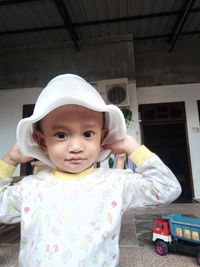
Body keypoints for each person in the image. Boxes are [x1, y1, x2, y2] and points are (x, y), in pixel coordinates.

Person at [0, 74, 181, 267]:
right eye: (61, 135)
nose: (76, 146)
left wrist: (134, 149)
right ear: (42, 140)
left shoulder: (116, 183)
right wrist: (8, 161)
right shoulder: (29, 187)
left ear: (102, 137)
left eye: (88, 134)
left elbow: (167, 188)